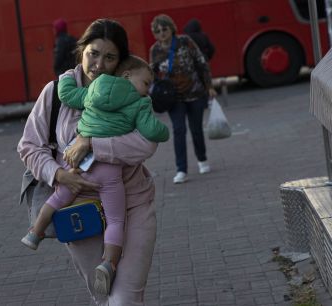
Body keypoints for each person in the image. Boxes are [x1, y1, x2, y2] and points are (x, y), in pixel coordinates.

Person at [18, 19, 158, 305]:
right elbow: (30, 146)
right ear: (81, 51)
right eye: (93, 53)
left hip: (132, 204)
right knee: (103, 296)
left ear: (121, 63)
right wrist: (58, 175)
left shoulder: (131, 92)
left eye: (109, 57)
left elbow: (145, 144)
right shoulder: (56, 92)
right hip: (80, 210)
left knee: (125, 300)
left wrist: (92, 143)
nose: (98, 64)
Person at [149, 14, 217, 184]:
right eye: (157, 31)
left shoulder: (185, 41)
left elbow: (201, 62)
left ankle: (202, 159)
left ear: (171, 28)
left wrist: (209, 86)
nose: (162, 33)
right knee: (179, 130)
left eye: (164, 29)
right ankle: (181, 169)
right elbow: (153, 74)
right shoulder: (155, 50)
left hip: (195, 93)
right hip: (174, 98)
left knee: (196, 129)